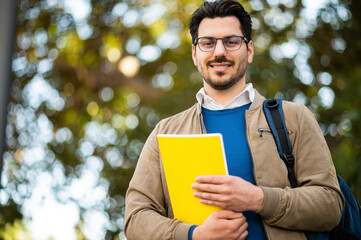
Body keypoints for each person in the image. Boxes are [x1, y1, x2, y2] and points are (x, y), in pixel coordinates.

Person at [124, 0, 344, 239]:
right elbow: (135, 219)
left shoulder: (294, 118)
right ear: (195, 54)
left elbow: (330, 205)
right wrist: (193, 235)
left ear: (249, 51)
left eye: (231, 41)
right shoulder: (164, 132)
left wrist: (258, 198)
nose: (219, 52)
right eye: (207, 43)